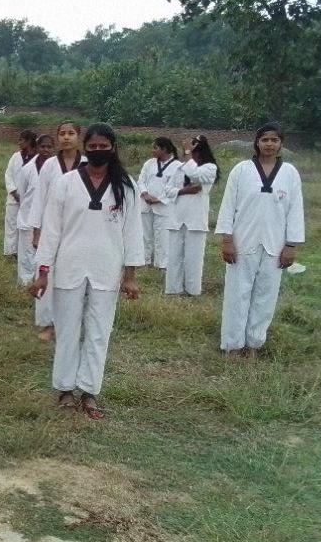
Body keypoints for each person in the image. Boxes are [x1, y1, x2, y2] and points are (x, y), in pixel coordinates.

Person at [30, 123, 144, 419]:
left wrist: (130, 277)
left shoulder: (126, 186)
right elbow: (51, 231)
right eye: (92, 146)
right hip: (69, 266)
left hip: (107, 268)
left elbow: (132, 233)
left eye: (103, 146)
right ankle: (65, 389)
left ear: (113, 148)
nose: (97, 151)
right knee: (67, 330)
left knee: (98, 333)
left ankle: (90, 391)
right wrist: (43, 272)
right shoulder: (66, 183)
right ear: (85, 148)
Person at [215, 122, 304, 358]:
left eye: (274, 140)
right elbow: (228, 206)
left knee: (266, 296)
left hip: (275, 245)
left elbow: (295, 210)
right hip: (242, 243)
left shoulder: (290, 173)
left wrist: (291, 245)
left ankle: (253, 344)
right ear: (257, 142)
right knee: (237, 295)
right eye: (265, 139)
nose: (269, 144)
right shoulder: (241, 170)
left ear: (281, 143)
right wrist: (227, 239)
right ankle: (233, 346)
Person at [27, 120, 83, 342]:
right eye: (62, 133)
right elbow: (39, 198)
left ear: (79, 136)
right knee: (46, 272)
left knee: (74, 275)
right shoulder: (50, 165)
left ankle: (71, 322)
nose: (66, 137)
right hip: (51, 227)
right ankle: (48, 323)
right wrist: (36, 231)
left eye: (71, 133)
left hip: (78, 227)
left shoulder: (87, 163)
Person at [165, 135, 220, 296]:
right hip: (177, 218)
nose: (188, 149)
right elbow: (168, 190)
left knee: (194, 258)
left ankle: (192, 290)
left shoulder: (210, 168)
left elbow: (195, 175)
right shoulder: (180, 168)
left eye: (192, 145)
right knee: (174, 257)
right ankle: (173, 289)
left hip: (195, 219)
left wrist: (188, 153)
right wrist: (184, 191)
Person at [14, 134, 54, 287]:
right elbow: (22, 193)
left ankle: (41, 283)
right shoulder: (27, 169)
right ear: (37, 147)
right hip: (28, 218)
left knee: (44, 254)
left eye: (49, 147)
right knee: (26, 255)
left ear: (53, 149)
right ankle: (24, 284)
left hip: (48, 220)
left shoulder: (56, 168)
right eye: (42, 146)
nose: (45, 150)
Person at [137, 137, 181, 270]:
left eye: (155, 148)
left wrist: (159, 199)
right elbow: (141, 180)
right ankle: (144, 261)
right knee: (145, 235)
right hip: (146, 204)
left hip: (164, 206)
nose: (153, 151)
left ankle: (162, 264)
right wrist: (145, 193)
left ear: (164, 149)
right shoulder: (149, 163)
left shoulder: (177, 166)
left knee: (162, 236)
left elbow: (177, 187)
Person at [3, 130, 36, 258]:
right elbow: (8, 175)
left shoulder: (37, 158)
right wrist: (14, 192)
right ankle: (10, 251)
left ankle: (24, 252)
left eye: (21, 140)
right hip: (14, 198)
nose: (19, 142)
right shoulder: (15, 156)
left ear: (29, 141)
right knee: (11, 225)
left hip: (30, 200)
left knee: (27, 227)